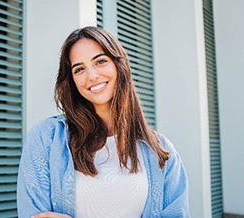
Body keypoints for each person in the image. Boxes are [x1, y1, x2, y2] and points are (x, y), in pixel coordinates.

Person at [17, 26, 190, 218]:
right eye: (79, 69)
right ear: (72, 80)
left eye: (100, 61)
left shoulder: (161, 150)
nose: (92, 76)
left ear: (119, 65)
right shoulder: (45, 139)